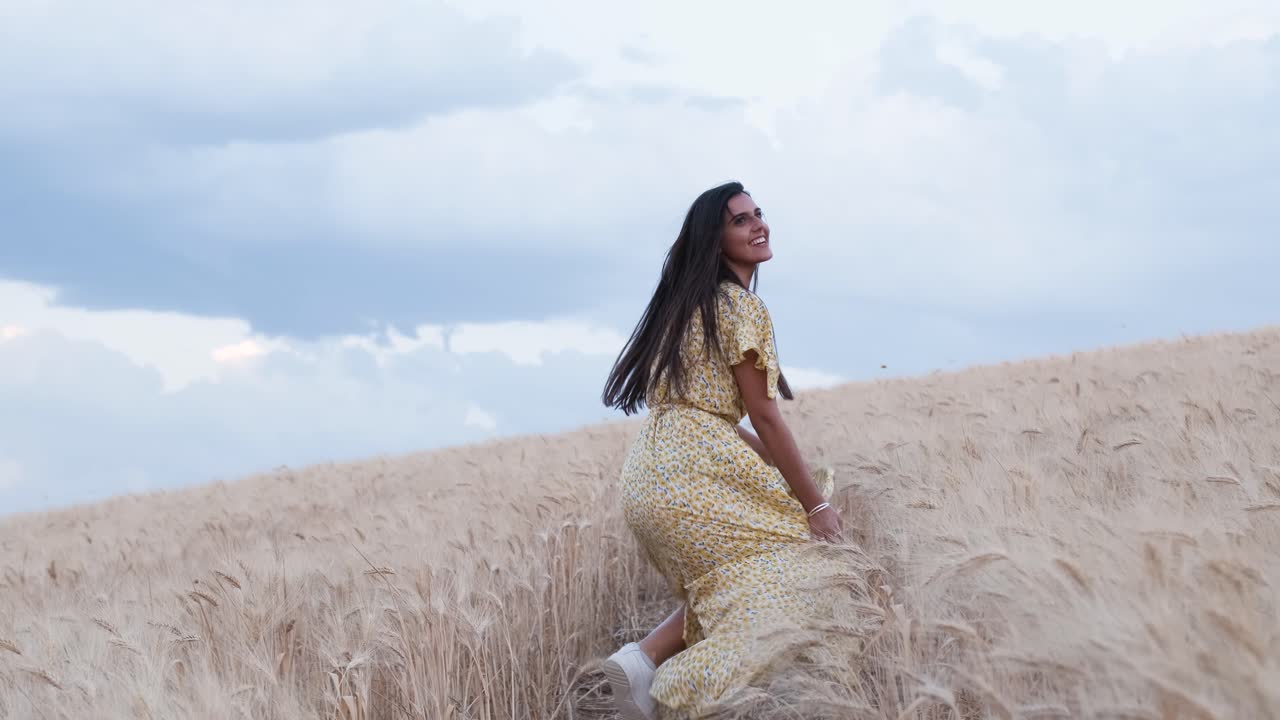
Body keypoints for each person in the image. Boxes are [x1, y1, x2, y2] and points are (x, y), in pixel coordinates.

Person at [600, 181, 843, 718]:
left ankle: (638, 663)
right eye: (740, 220)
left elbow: (712, 417)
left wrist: (778, 469)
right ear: (715, 240)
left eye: (759, 213)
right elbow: (765, 412)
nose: (758, 224)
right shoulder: (739, 306)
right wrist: (817, 507)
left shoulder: (686, 307)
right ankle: (676, 690)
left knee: (733, 585)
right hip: (696, 474)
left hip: (651, 472)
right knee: (812, 574)